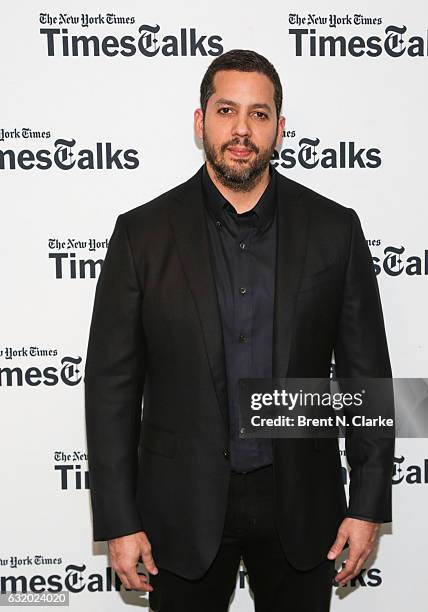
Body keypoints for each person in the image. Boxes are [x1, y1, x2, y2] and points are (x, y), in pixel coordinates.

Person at [84, 49, 394, 612]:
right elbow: (111, 391)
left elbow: (365, 375)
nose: (242, 129)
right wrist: (118, 520)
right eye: (227, 110)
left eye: (259, 113)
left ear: (279, 127)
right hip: (179, 511)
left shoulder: (335, 229)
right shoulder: (141, 235)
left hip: (303, 506)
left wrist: (368, 504)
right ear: (200, 121)